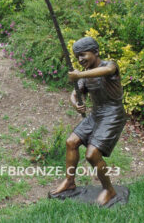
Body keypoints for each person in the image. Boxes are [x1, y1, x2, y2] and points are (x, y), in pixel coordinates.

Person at [51, 36, 127, 206]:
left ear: (95, 52)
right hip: (96, 115)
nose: (80, 59)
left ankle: (109, 189)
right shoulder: (85, 76)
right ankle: (69, 182)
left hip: (113, 115)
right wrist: (76, 103)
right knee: (71, 142)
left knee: (92, 154)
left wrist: (79, 75)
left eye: (83, 55)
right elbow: (75, 93)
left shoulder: (109, 65)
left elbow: (106, 72)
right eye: (77, 56)